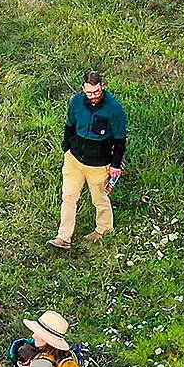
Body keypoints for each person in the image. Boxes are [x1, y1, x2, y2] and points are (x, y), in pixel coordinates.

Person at [52, 69, 127, 251]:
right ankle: (63, 237)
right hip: (74, 159)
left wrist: (115, 164)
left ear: (103, 86)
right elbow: (69, 125)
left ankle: (104, 230)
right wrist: (66, 148)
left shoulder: (115, 109)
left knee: (99, 198)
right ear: (83, 88)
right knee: (68, 197)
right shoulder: (76, 101)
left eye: (96, 92)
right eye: (89, 92)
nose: (92, 96)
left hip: (99, 163)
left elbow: (120, 139)